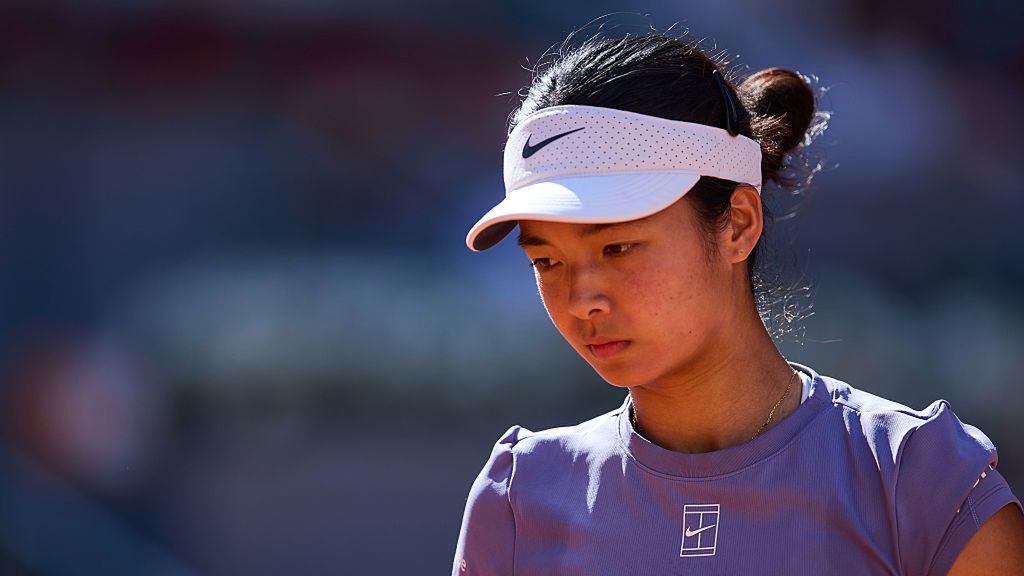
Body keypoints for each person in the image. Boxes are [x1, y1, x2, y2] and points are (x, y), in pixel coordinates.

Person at [452, 31, 1024, 575]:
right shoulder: (518, 498)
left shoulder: (920, 481)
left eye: (617, 246)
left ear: (738, 224)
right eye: (546, 261)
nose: (581, 300)